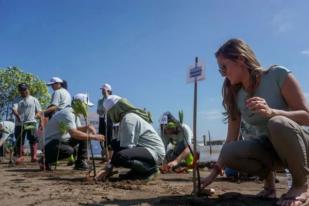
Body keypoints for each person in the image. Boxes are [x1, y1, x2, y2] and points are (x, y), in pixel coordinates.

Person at [201, 38, 309, 206]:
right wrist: (212, 175)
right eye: (219, 69)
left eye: (224, 67)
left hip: (300, 147)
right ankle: (269, 186)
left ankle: (301, 185)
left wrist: (273, 112)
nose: (222, 73)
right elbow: (231, 139)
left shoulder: (277, 74)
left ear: (240, 59)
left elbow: (307, 117)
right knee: (229, 151)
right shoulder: (235, 94)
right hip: (273, 153)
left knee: (277, 122)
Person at [95, 95, 166, 181]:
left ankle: (149, 170)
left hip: (154, 151)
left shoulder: (128, 119)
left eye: (109, 113)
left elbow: (125, 148)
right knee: (115, 145)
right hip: (146, 149)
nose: (109, 116)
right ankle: (138, 171)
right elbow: (118, 144)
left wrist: (108, 167)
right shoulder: (124, 119)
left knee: (120, 157)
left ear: (115, 110)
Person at [39, 93, 104, 171]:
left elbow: (76, 129)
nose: (87, 108)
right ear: (79, 104)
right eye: (86, 105)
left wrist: (87, 127)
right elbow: (74, 133)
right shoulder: (68, 113)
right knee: (69, 150)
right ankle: (45, 160)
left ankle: (80, 162)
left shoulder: (74, 113)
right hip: (49, 143)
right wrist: (94, 137)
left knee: (84, 136)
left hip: (59, 142)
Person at [12, 83, 43, 163]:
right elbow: (14, 109)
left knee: (33, 139)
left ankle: (34, 157)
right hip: (19, 124)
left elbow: (39, 111)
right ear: (19, 91)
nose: (23, 91)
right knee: (19, 140)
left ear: (27, 89)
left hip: (31, 122)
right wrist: (18, 116)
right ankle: (20, 157)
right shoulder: (16, 99)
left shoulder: (34, 99)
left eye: (24, 89)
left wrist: (37, 116)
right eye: (21, 90)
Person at [97, 83, 113, 160]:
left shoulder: (112, 98)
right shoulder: (100, 100)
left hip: (110, 119)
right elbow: (99, 110)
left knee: (109, 138)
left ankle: (110, 157)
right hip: (102, 119)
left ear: (109, 90)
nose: (102, 91)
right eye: (102, 90)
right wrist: (101, 111)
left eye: (104, 90)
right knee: (101, 137)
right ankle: (105, 155)